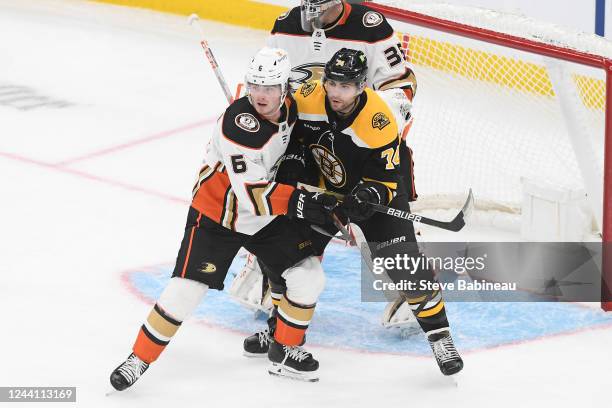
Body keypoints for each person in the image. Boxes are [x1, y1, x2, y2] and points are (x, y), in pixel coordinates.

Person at [109, 47, 339, 389]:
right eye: (254, 86)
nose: (260, 95)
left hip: (265, 218)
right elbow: (252, 195)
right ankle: (138, 358)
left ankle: (285, 349)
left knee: (309, 277)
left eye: (269, 87)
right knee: (185, 292)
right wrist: (301, 202)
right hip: (220, 214)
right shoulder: (239, 126)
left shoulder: (291, 110)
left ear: (285, 89)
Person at [252, 48, 464, 376]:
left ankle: (440, 336)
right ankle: (281, 333)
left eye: (346, 86)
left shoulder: (378, 120)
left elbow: (387, 178)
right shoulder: (307, 99)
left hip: (372, 195)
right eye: (332, 83)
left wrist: (368, 194)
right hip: (323, 195)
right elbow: (293, 145)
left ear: (362, 85)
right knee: (284, 255)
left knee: (404, 264)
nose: (336, 92)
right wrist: (295, 179)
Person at [233, 0, 421, 348]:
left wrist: (369, 132)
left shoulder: (370, 26)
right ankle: (269, 274)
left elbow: (401, 86)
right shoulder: (287, 24)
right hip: (308, 147)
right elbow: (270, 81)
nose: (309, 10)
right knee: (288, 215)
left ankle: (409, 287)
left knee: (379, 223)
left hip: (361, 150)